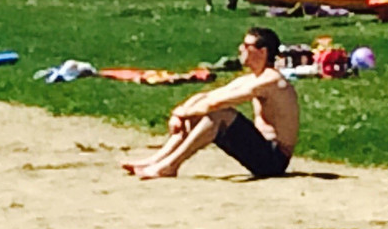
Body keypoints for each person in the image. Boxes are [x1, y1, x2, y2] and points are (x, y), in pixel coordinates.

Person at [120, 27, 298, 180]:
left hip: (274, 159)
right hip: (261, 151)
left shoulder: (271, 81)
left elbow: (216, 104)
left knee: (221, 114)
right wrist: (181, 112)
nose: (240, 49)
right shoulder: (252, 78)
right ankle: (157, 160)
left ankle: (171, 165)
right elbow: (208, 96)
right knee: (199, 114)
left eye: (246, 46)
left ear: (262, 51)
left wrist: (182, 114)